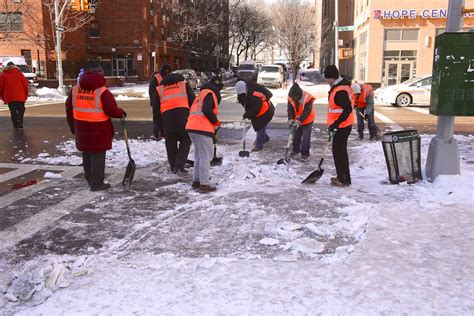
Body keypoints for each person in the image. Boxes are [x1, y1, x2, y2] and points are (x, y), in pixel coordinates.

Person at [65, 64, 126, 191]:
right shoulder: (103, 91)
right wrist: (121, 112)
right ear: (100, 75)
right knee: (98, 155)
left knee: (87, 153)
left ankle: (90, 179)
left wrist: (73, 127)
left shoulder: (75, 89)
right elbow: (112, 110)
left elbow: (69, 109)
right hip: (99, 129)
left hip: (81, 127)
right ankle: (97, 183)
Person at [186, 76, 223, 192]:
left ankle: (196, 181)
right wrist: (215, 121)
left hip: (192, 127)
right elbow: (207, 110)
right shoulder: (210, 94)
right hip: (202, 128)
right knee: (206, 156)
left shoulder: (201, 94)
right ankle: (204, 183)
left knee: (199, 155)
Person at [154, 70, 195, 173]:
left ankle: (173, 167)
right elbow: (193, 101)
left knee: (170, 144)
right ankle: (179, 165)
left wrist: (158, 127)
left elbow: (156, 111)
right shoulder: (183, 85)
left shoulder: (160, 90)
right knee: (185, 140)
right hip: (183, 118)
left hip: (167, 120)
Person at [324, 65, 354, 187]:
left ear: (331, 77)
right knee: (339, 152)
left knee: (339, 152)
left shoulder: (340, 90)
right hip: (342, 125)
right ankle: (342, 176)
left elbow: (347, 109)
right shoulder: (340, 86)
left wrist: (336, 124)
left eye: (326, 78)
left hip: (342, 126)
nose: (326, 81)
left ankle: (344, 179)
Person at [235, 79, 274, 151]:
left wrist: (247, 114)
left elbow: (255, 109)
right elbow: (247, 104)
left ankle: (259, 145)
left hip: (266, 111)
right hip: (260, 110)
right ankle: (265, 138)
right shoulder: (246, 92)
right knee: (258, 126)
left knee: (260, 127)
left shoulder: (254, 95)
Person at [287, 83, 315, 161]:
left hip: (308, 119)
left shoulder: (307, 98)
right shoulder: (291, 97)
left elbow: (307, 112)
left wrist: (299, 121)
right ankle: (295, 150)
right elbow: (290, 109)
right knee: (296, 135)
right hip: (297, 120)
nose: (292, 99)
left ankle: (305, 154)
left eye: (294, 98)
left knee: (306, 137)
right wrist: (291, 119)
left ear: (298, 96)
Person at [0, 62, 29, 129]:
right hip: (20, 95)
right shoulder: (20, 74)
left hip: (9, 96)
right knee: (21, 109)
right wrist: (26, 94)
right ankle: (19, 120)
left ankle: (15, 124)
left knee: (13, 111)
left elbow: (0, 87)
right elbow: (25, 85)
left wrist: (2, 96)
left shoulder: (3, 75)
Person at [148, 64, 171, 139]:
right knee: (157, 118)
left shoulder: (168, 77)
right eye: (165, 70)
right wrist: (154, 101)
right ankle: (156, 134)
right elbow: (152, 91)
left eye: (168, 70)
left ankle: (162, 132)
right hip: (157, 102)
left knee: (164, 118)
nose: (167, 72)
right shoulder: (156, 78)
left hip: (165, 102)